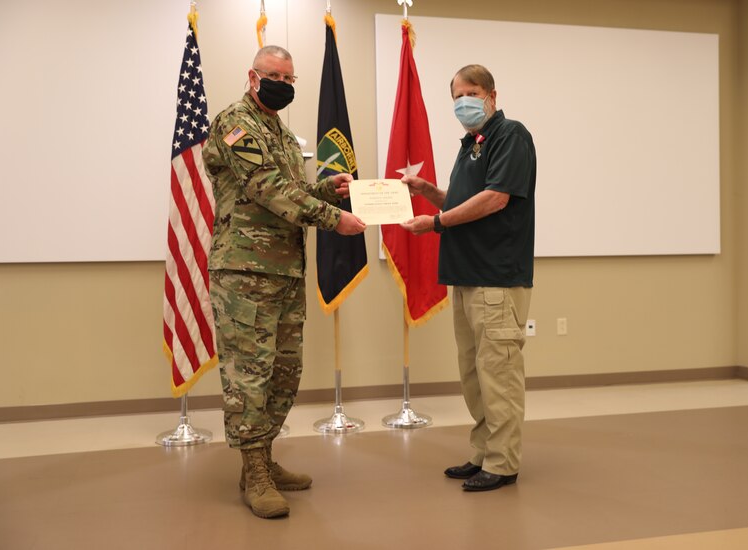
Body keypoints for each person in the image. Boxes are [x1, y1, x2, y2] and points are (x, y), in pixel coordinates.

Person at [202, 45, 366, 518]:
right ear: (253, 76)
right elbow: (267, 189)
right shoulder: (236, 124)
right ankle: (252, 470)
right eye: (275, 75)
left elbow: (290, 190)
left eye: (290, 78)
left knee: (284, 371)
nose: (283, 83)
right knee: (249, 374)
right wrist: (332, 217)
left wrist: (323, 190)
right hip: (245, 271)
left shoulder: (282, 133)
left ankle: (265, 456)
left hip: (286, 268)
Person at [401, 64, 536, 492]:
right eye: (457, 95)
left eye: (472, 92)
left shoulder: (510, 135)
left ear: (492, 95)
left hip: (496, 277)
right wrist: (427, 190)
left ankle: (503, 461)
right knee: (474, 375)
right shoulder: (471, 143)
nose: (465, 102)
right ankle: (483, 453)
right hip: (466, 276)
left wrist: (436, 222)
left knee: (499, 373)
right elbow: (464, 200)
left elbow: (495, 199)